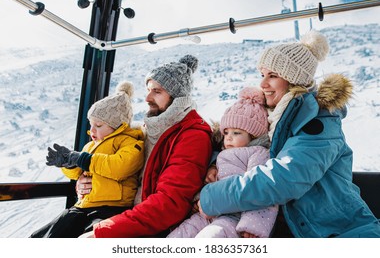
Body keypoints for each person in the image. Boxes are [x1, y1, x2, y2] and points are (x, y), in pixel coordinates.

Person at [198, 30, 380, 238]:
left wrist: (212, 197)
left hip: (342, 233)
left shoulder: (319, 123)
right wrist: (215, 165)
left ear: (294, 81)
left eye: (273, 76)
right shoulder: (275, 121)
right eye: (262, 75)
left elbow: (285, 178)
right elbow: (245, 146)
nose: (263, 84)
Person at [78, 55, 213, 238]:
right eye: (148, 90)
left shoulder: (192, 136)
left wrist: (106, 231)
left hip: (155, 227)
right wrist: (85, 181)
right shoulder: (146, 131)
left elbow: (169, 203)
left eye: (157, 91)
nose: (148, 97)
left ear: (177, 97)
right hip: (123, 212)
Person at [30, 81, 145, 238]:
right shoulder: (90, 146)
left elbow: (121, 166)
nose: (91, 131)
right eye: (91, 124)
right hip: (83, 206)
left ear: (118, 126)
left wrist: (84, 159)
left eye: (98, 125)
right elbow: (78, 173)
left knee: (90, 236)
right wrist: (68, 163)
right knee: (47, 234)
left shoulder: (130, 143)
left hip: (111, 207)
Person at [167, 87, 278, 238]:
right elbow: (213, 183)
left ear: (253, 136)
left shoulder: (258, 153)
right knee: (180, 235)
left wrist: (253, 227)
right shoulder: (219, 155)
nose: (229, 138)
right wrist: (200, 199)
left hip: (234, 217)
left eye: (237, 133)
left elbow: (260, 189)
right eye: (226, 132)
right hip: (207, 214)